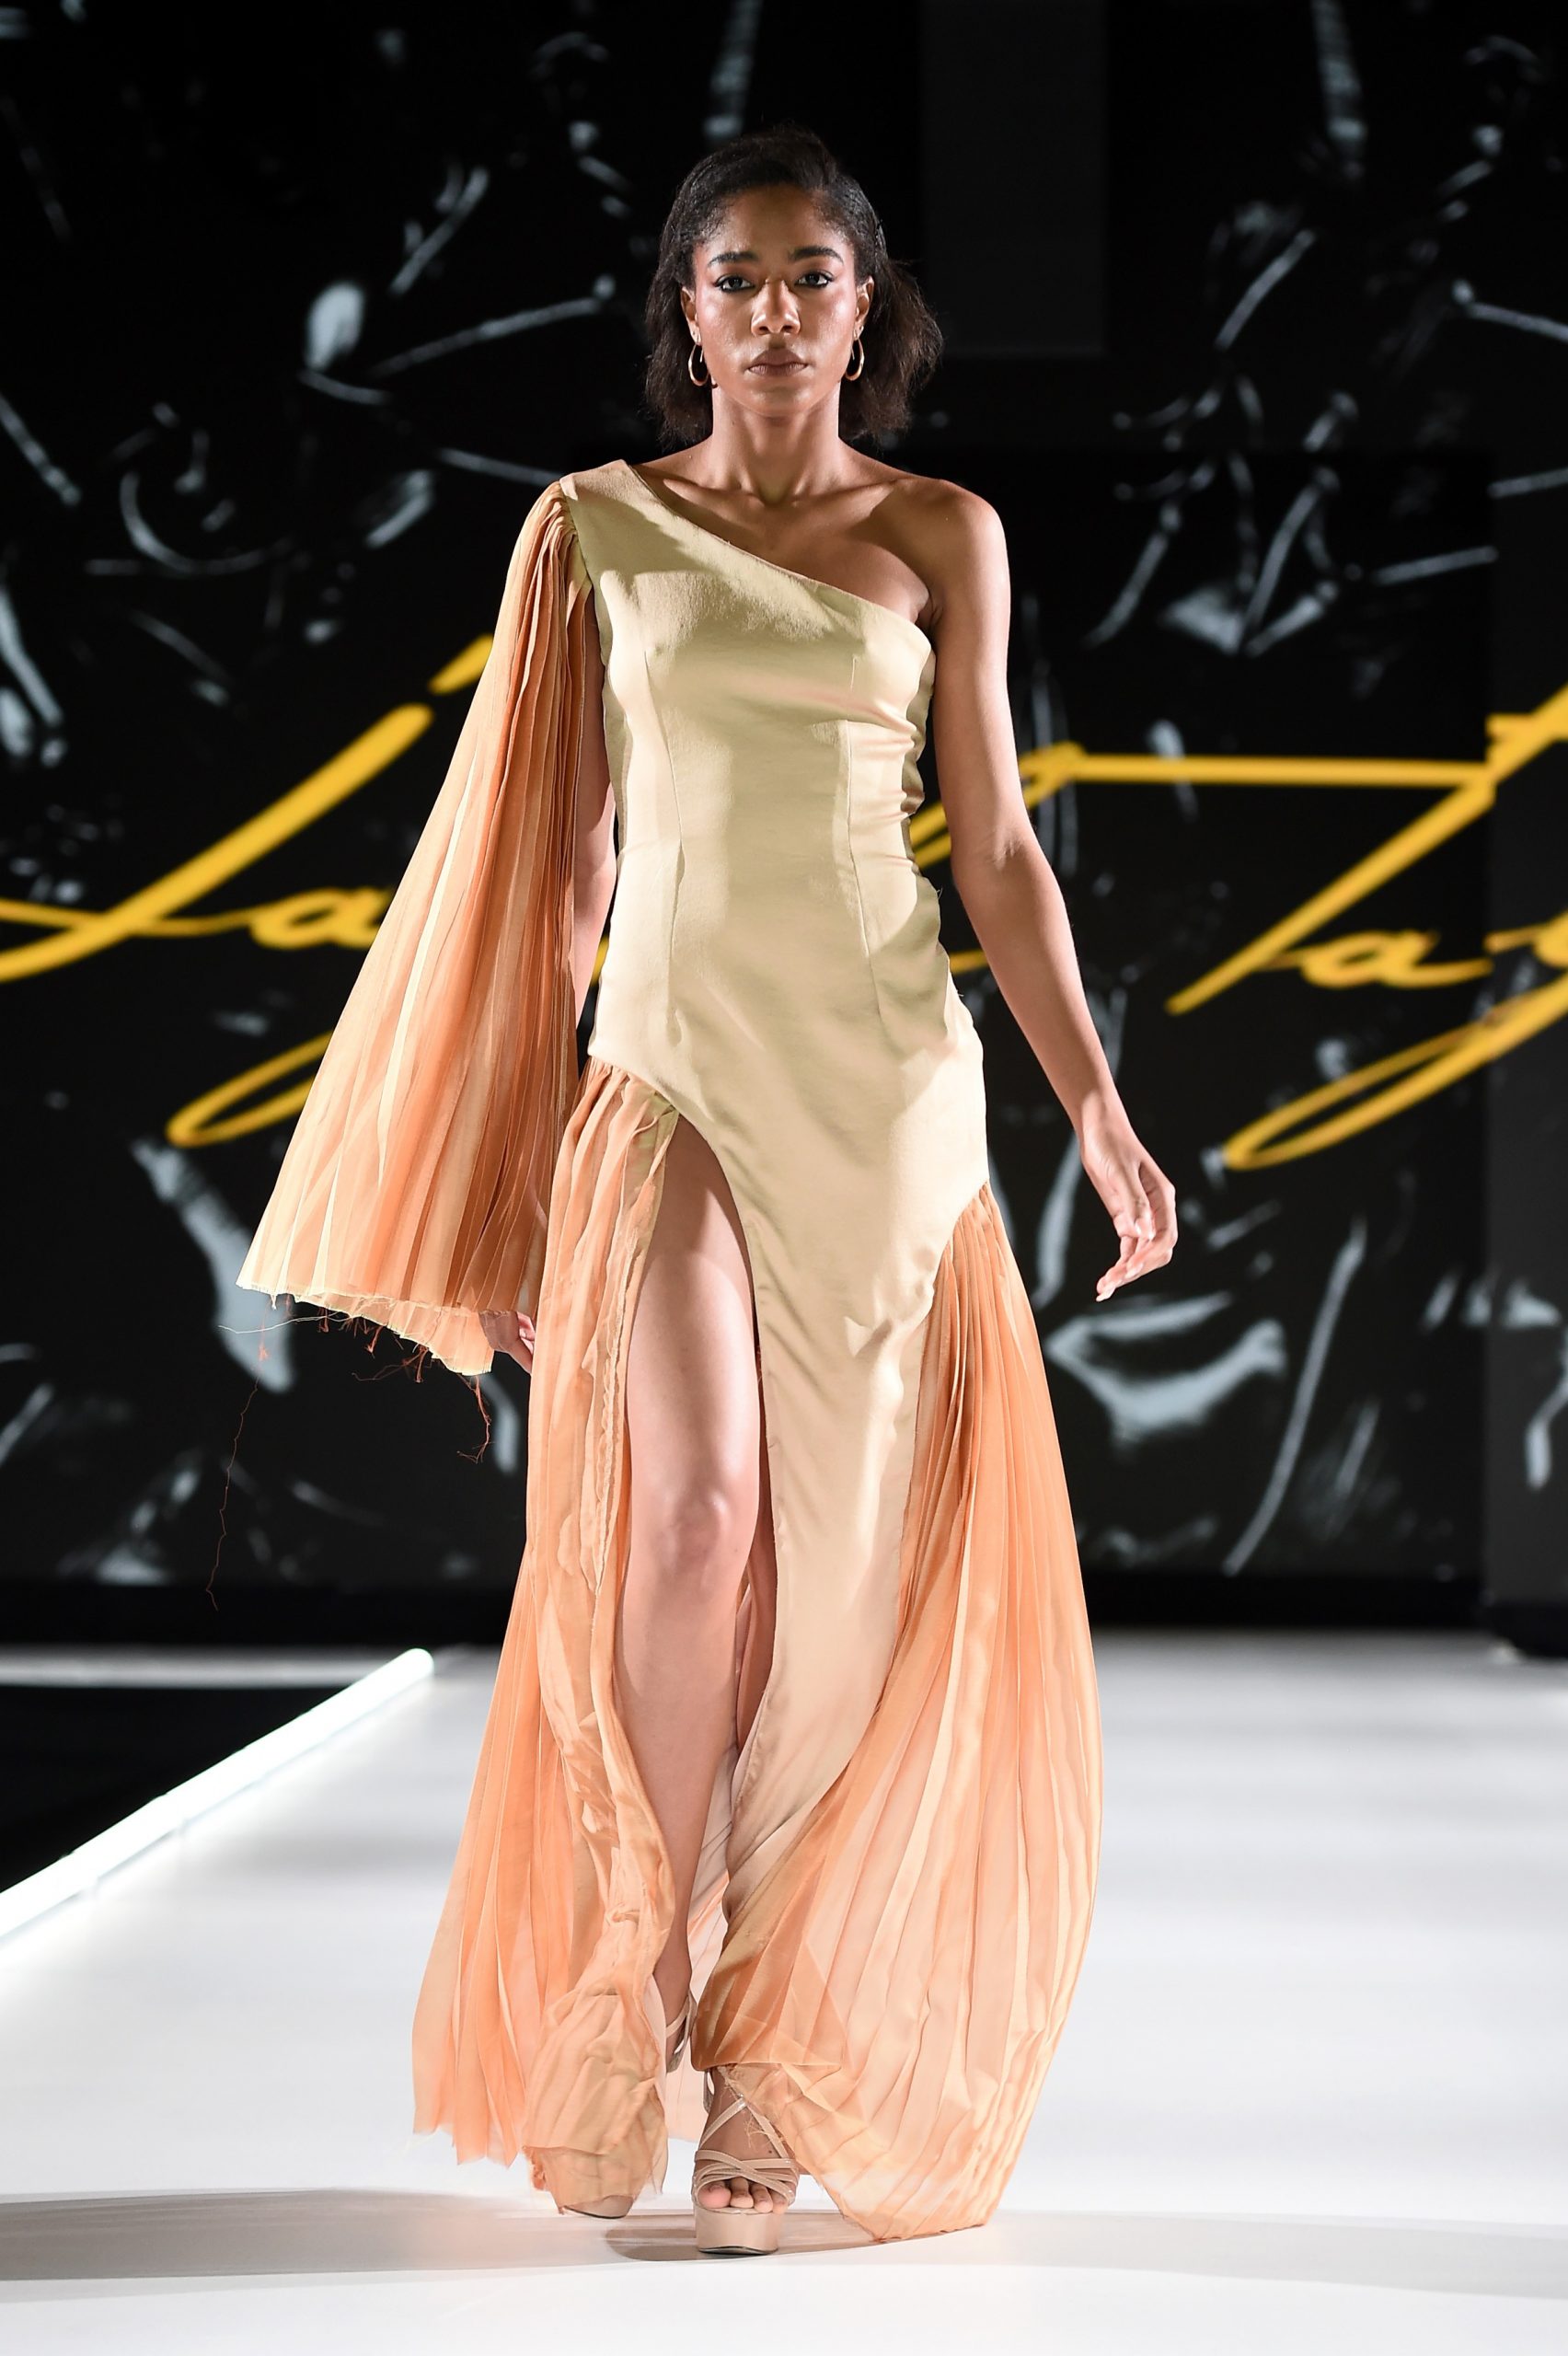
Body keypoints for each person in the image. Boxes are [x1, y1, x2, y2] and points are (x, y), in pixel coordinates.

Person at [239, 122, 1176, 2255]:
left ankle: (767, 2058)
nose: (771, 311)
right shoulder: (590, 529)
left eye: (808, 277)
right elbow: (555, 872)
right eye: (733, 277)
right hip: (668, 1070)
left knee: (844, 1586)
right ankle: (640, 1964)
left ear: (867, 311)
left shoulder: (941, 532)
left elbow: (998, 851)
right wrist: (500, 1177)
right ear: (687, 311)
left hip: (888, 1088)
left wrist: (1101, 1113)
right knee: (689, 1523)